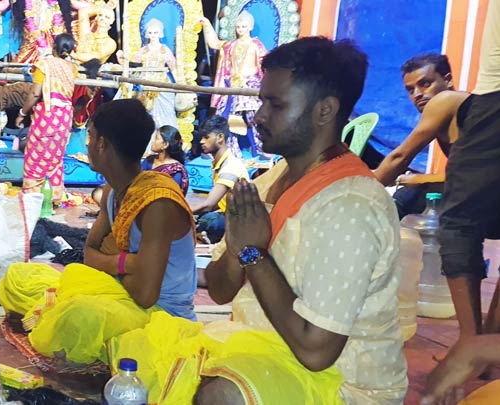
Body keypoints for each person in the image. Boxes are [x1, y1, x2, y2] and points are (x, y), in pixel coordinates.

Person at [189, 37, 406, 403]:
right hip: (265, 355)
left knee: (220, 396)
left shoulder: (350, 205)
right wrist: (240, 250)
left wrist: (254, 256)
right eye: (261, 102)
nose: (258, 116)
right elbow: (222, 288)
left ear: (324, 111)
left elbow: (316, 352)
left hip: (342, 387)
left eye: (275, 104)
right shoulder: (272, 179)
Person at [0, 99, 197, 365]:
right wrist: (126, 262)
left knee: (79, 315)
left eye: (89, 136)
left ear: (102, 143)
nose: (87, 144)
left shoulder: (157, 203)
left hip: (160, 314)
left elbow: (145, 295)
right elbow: (89, 256)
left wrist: (112, 263)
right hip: (116, 291)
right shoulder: (113, 192)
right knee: (19, 276)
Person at [436, 0, 500, 342]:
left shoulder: (446, 102)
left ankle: (473, 344)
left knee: (458, 222)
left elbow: (400, 156)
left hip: (496, 101)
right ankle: (487, 345)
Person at [374, 54, 460, 218]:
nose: (417, 94)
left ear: (448, 80)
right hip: (480, 187)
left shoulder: (446, 101)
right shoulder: (450, 113)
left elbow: (400, 157)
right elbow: (465, 172)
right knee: (411, 195)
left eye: (425, 84)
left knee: (405, 199)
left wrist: (359, 191)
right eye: (411, 90)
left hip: (487, 194)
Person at [15, 34, 79, 200]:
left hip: (48, 116)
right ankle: (54, 197)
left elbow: (36, 93)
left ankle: (32, 196)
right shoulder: (72, 68)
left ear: (53, 47)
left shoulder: (43, 65)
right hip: (65, 117)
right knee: (55, 158)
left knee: (35, 156)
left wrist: (22, 113)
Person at [200, 11, 267, 157]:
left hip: (250, 85)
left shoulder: (256, 45)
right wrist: (206, 24)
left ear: (250, 27)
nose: (240, 29)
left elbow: (264, 66)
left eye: (243, 26)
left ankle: (261, 147)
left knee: (254, 116)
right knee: (224, 117)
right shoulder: (231, 45)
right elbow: (215, 43)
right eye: (238, 26)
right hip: (231, 85)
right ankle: (231, 150)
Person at [191, 115, 249, 243]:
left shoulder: (230, 166)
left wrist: (185, 212)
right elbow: (216, 203)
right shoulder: (220, 163)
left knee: (207, 220)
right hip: (228, 215)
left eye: (206, 137)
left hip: (239, 220)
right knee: (201, 218)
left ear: (220, 138)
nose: (201, 141)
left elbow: (210, 204)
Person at [116, 19, 179, 132]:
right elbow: (133, 67)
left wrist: (180, 83)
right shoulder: (143, 50)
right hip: (144, 84)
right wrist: (122, 59)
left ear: (160, 33)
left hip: (161, 85)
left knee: (164, 115)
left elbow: (173, 68)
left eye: (155, 33)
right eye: (150, 33)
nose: (153, 35)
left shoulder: (165, 50)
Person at [142, 125, 189, 195]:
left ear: (165, 144)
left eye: (156, 138)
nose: (152, 141)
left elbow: (173, 195)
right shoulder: (149, 160)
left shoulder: (176, 170)